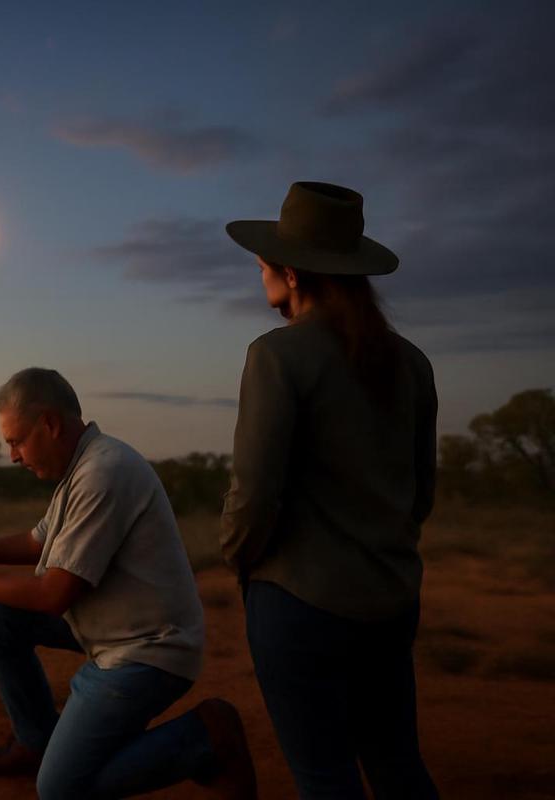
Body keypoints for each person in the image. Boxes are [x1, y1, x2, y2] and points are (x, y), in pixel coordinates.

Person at [0, 367, 257, 799]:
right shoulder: (82, 467)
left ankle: (204, 739)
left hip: (148, 649)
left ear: (50, 425)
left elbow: (53, 596)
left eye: (16, 440)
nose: (13, 455)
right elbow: (38, 542)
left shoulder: (102, 473)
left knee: (60, 789)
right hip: (115, 629)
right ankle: (37, 741)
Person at [222, 181, 440, 798]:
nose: (260, 275)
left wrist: (239, 554)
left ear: (291, 274)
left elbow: (254, 492)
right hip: (391, 598)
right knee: (398, 763)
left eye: (263, 265)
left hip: (299, 602)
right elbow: (421, 488)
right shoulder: (413, 362)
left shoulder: (276, 356)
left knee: (324, 775)